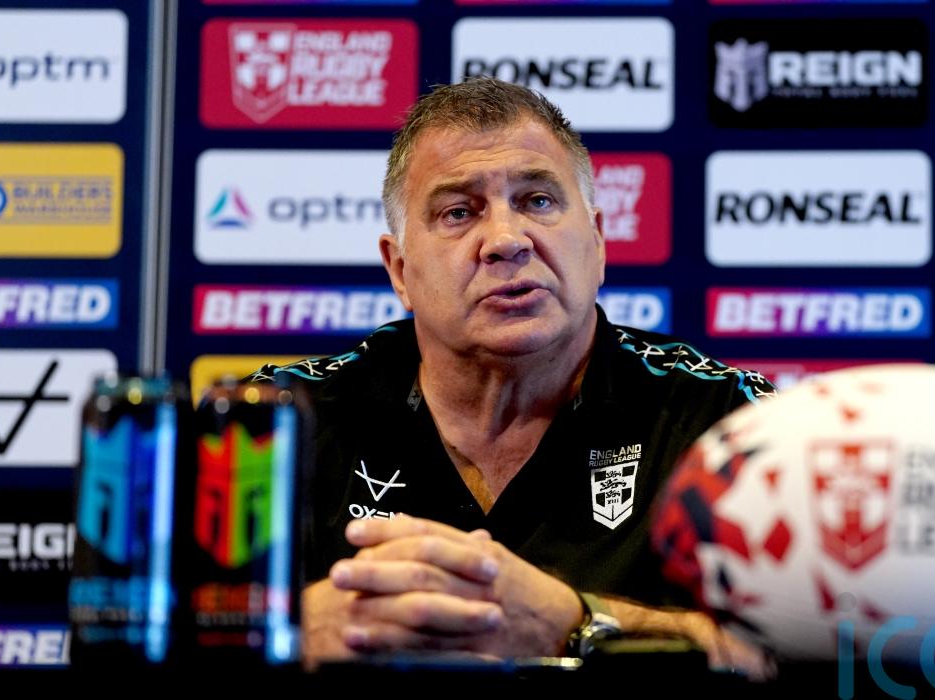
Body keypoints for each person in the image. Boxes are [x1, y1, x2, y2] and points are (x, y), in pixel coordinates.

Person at [252, 76, 776, 677]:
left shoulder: (729, 424)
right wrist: (288, 629)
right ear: (400, 270)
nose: (505, 240)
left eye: (538, 201)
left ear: (598, 243)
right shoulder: (279, 422)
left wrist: (575, 622)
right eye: (458, 211)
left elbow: (825, 660)